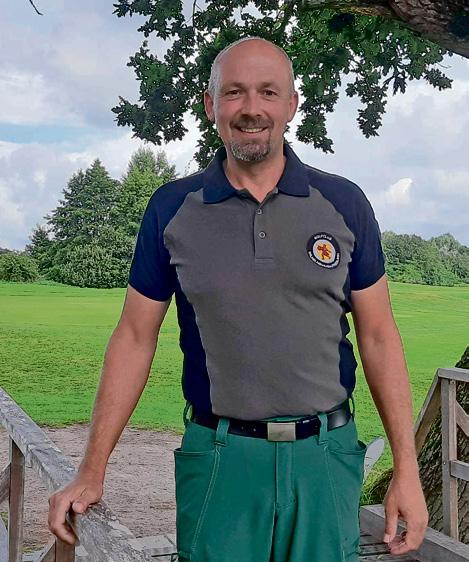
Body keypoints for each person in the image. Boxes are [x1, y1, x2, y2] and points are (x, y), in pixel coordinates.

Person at [48, 36, 428, 561]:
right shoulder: (172, 208)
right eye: (234, 92)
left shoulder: (344, 203)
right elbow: (134, 337)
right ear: (211, 105)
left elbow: (380, 336)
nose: (252, 108)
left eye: (268, 92)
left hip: (325, 458)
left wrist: (407, 470)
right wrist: (91, 469)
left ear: (292, 104)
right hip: (219, 458)